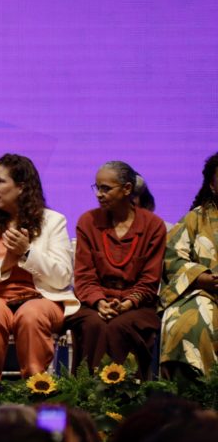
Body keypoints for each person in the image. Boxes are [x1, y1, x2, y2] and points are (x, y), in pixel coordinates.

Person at [0, 154, 78, 380]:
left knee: (31, 316)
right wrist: (6, 264)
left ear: (21, 188)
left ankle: (36, 389)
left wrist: (27, 253)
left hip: (41, 299)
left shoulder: (53, 221)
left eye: (0, 181)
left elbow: (62, 277)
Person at [68, 161, 166, 378]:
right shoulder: (88, 221)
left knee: (118, 327)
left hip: (137, 306)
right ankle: (86, 393)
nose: (99, 194)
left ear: (127, 189)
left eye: (106, 188)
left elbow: (150, 280)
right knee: (95, 325)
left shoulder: (153, 226)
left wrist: (128, 303)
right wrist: (100, 302)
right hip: (95, 304)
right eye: (97, 188)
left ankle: (126, 395)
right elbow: (84, 275)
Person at [159, 151, 218, 380]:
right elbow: (173, 258)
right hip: (205, 292)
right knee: (185, 321)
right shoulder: (196, 219)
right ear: (212, 186)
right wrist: (200, 276)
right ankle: (195, 400)